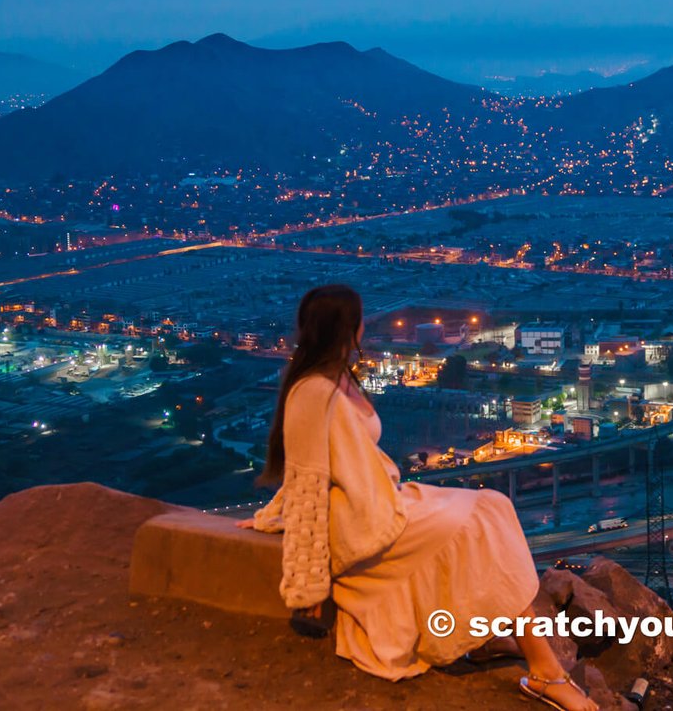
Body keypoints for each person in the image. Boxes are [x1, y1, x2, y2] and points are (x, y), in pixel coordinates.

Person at [240, 284, 596, 711]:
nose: (365, 327)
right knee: (479, 524)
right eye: (360, 320)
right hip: (360, 523)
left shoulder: (336, 378)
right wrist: (307, 582)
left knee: (494, 506)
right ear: (347, 327)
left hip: (381, 502)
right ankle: (545, 674)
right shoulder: (311, 392)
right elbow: (308, 479)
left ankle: (481, 635)